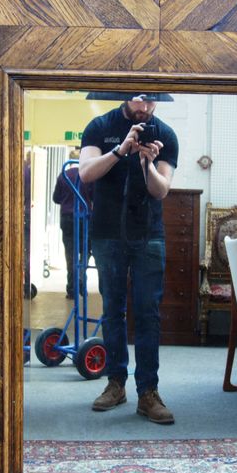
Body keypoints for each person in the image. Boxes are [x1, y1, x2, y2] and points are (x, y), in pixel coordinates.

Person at [79, 94, 178, 424]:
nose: (145, 107)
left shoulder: (166, 135)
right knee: (113, 312)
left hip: (149, 234)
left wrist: (147, 163)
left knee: (148, 314)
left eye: (152, 101)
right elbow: (86, 173)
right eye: (140, 99)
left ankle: (148, 393)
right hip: (107, 233)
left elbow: (161, 190)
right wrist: (121, 150)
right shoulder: (100, 126)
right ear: (126, 93)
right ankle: (115, 384)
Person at [53, 161, 92, 299]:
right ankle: (81, 278)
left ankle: (71, 289)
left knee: (70, 254)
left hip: (67, 218)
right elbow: (93, 197)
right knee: (86, 250)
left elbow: (55, 198)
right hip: (84, 218)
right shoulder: (88, 175)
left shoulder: (64, 175)